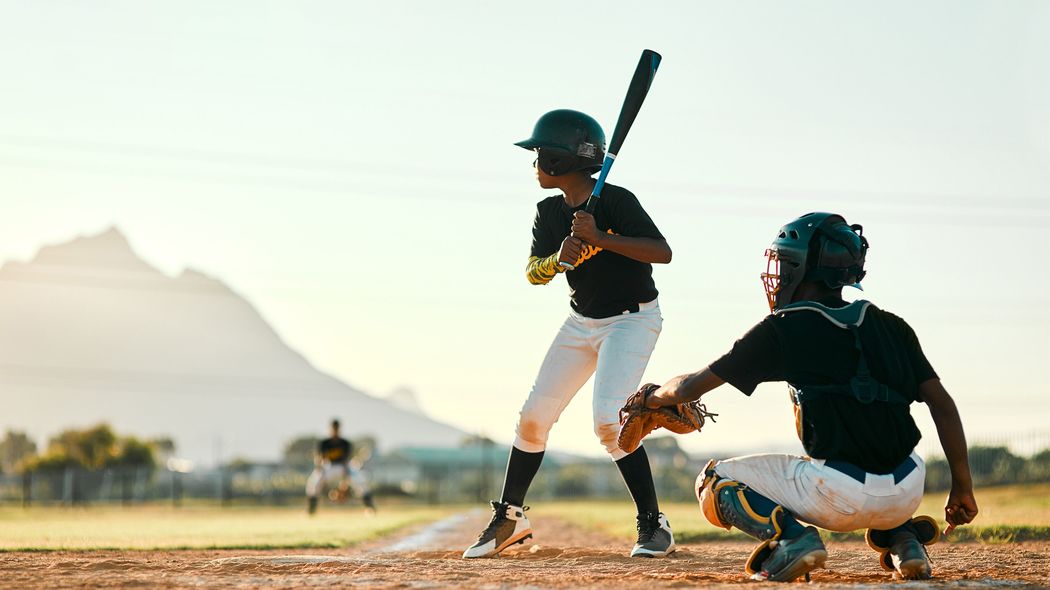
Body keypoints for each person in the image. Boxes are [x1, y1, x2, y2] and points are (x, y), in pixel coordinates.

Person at [638, 212, 978, 581]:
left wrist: (654, 396)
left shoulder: (784, 328)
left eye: (784, 263)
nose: (779, 273)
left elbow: (690, 388)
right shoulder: (892, 325)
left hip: (837, 495)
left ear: (802, 268)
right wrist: (962, 486)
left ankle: (793, 539)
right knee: (866, 458)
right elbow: (942, 405)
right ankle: (905, 539)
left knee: (713, 480)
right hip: (909, 487)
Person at [463, 109, 675, 559]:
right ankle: (511, 518)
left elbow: (662, 252)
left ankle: (654, 525)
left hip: (633, 320)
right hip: (582, 322)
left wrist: (603, 236)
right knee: (533, 417)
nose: (535, 163)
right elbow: (533, 274)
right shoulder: (548, 213)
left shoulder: (616, 202)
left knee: (607, 422)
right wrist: (560, 259)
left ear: (561, 161)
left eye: (540, 154)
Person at [305, 419, 376, 515]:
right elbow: (320, 459)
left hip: (343, 466)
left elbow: (347, 460)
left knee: (360, 480)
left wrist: (345, 479)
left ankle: (369, 508)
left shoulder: (345, 443)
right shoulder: (324, 443)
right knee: (314, 482)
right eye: (333, 428)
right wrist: (319, 469)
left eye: (336, 428)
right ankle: (311, 510)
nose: (335, 430)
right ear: (330, 429)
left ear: (339, 429)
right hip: (328, 467)